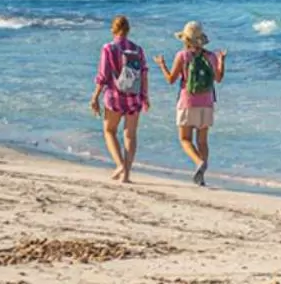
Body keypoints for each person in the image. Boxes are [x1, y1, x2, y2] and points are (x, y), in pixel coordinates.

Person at [160, 20, 225, 185]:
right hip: (207, 102)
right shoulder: (210, 56)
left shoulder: (182, 56)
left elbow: (171, 79)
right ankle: (201, 176)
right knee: (202, 141)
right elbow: (218, 78)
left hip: (187, 102)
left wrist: (162, 65)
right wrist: (222, 60)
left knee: (185, 139)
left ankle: (198, 162)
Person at [90, 15, 148, 184]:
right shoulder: (138, 49)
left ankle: (120, 165)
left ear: (113, 30)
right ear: (128, 30)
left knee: (109, 131)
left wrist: (95, 97)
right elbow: (144, 73)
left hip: (114, 97)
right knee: (130, 135)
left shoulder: (108, 48)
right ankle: (126, 175)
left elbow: (103, 76)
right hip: (134, 97)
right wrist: (145, 96)